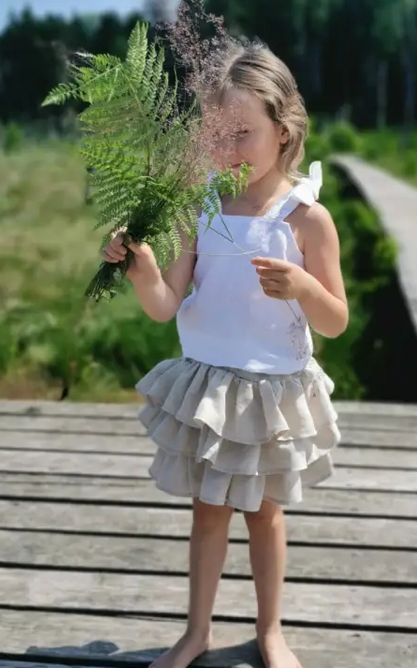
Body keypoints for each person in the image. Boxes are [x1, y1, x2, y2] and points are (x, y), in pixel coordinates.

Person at [101, 38, 348, 668]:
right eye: (217, 134)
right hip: (211, 385)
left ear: (284, 131)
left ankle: (270, 632)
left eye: (244, 133)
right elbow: (167, 304)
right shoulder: (200, 206)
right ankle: (197, 631)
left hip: (271, 389)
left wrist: (302, 287)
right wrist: (143, 269)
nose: (228, 149)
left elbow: (336, 320)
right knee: (208, 513)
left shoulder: (305, 220)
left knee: (265, 515)